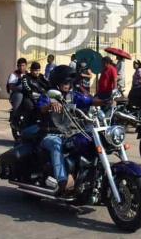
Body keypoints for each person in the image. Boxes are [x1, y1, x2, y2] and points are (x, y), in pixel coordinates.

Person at [36, 65, 100, 195]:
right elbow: (41, 108)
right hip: (49, 134)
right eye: (65, 82)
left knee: (89, 140)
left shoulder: (73, 95)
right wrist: (51, 105)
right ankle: (62, 181)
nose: (67, 85)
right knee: (56, 144)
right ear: (57, 82)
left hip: (69, 133)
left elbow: (89, 101)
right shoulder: (48, 95)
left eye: (69, 82)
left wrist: (108, 101)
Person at [14, 61, 48, 125]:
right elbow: (26, 86)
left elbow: (48, 84)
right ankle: (26, 123)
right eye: (35, 70)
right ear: (31, 70)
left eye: (38, 70)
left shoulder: (41, 76)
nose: (37, 72)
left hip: (41, 97)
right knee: (30, 107)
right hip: (29, 97)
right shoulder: (26, 77)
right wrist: (31, 92)